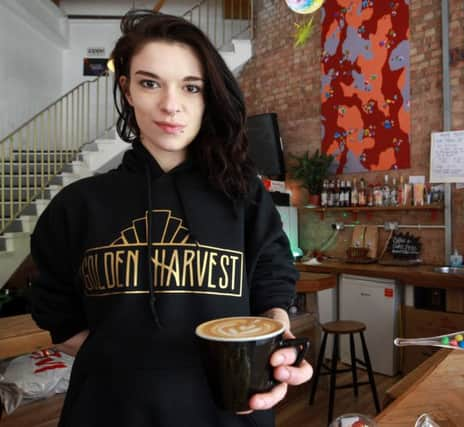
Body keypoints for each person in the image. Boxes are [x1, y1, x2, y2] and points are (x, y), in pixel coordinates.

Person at [29, 10, 312, 427]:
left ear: (208, 96)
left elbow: (273, 281)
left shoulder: (245, 196)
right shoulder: (78, 205)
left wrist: (277, 341)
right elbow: (54, 308)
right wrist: (129, 368)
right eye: (149, 83)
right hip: (108, 414)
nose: (170, 105)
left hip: (229, 414)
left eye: (191, 87)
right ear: (126, 89)